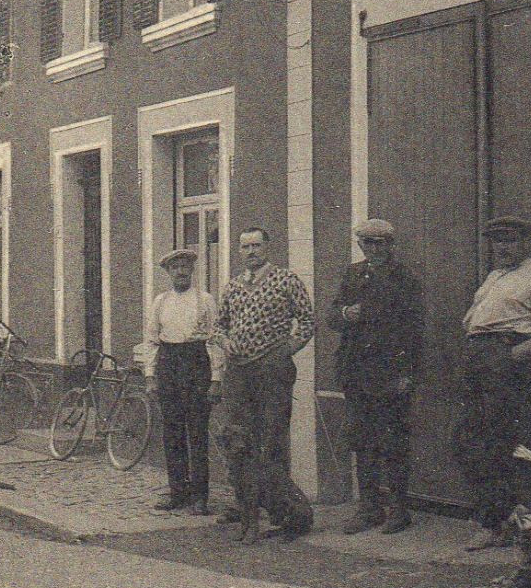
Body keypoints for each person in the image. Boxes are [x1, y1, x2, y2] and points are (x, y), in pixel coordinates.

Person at [457, 215, 531, 551]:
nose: (502, 247)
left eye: (510, 240)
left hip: (506, 362)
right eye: (497, 241)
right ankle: (496, 517)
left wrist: (506, 360)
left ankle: (496, 524)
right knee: (466, 439)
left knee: (497, 444)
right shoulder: (495, 277)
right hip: (478, 358)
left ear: (525, 243)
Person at [213, 226, 316, 544]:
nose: (251, 251)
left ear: (268, 248)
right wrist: (224, 340)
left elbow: (308, 321)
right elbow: (217, 326)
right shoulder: (232, 287)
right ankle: (247, 510)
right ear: (239, 251)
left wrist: (287, 349)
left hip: (272, 372)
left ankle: (282, 513)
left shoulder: (286, 280)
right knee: (239, 443)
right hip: (238, 373)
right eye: (245, 247)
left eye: (257, 245)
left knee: (272, 441)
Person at [326, 219, 423, 535]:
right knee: (361, 440)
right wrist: (345, 314)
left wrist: (408, 372)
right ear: (361, 246)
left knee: (392, 441)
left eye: (380, 243)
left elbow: (414, 329)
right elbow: (331, 315)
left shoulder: (403, 278)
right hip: (357, 370)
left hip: (390, 372)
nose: (373, 249)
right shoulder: (353, 274)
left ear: (390, 245)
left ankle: (399, 509)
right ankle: (369, 508)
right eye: (367, 243)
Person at [136, 248, 222, 515]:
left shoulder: (205, 300)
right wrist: (150, 377)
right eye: (175, 268)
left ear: (192, 270)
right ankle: (178, 492)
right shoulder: (160, 302)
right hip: (169, 365)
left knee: (197, 433)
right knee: (172, 433)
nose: (181, 271)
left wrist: (216, 378)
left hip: (196, 364)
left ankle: (200, 496)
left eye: (185, 266)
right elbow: (151, 341)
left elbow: (215, 341)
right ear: (168, 273)